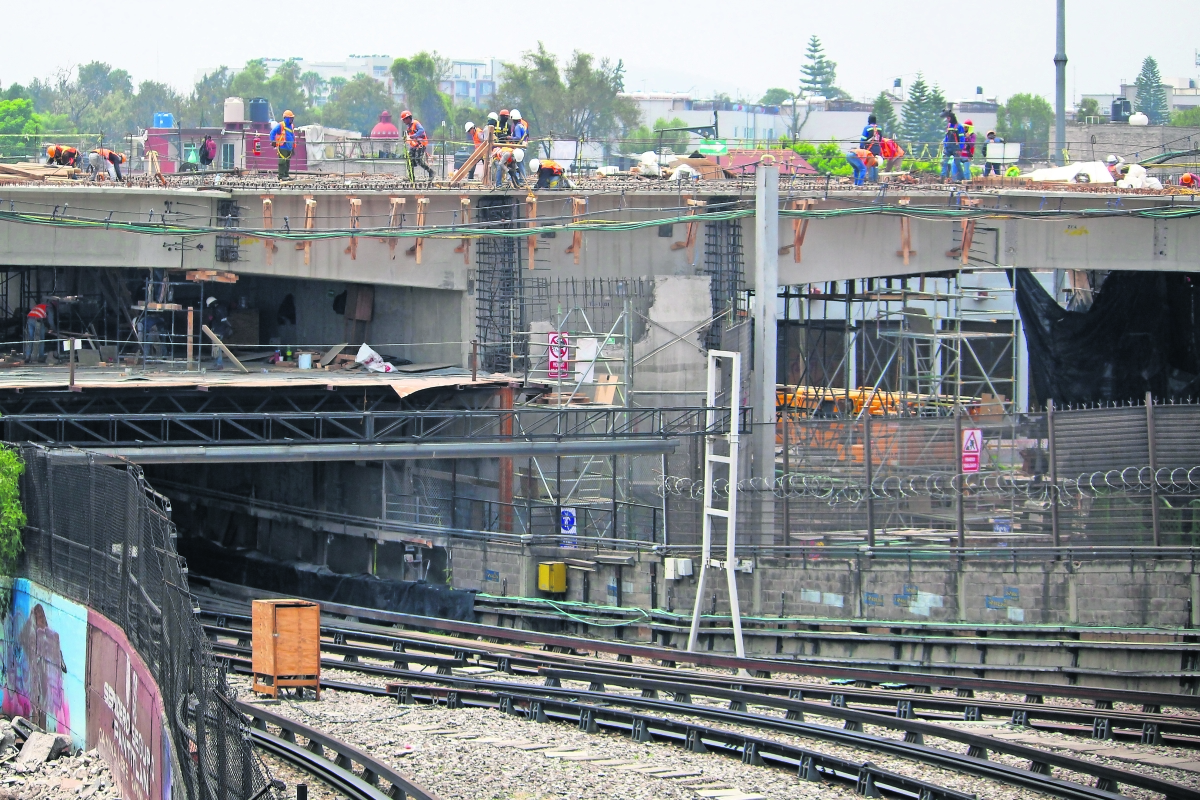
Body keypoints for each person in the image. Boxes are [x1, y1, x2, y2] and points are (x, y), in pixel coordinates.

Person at [400, 110, 435, 179]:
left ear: (408, 118)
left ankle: (431, 172)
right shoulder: (409, 127)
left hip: (421, 144)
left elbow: (422, 130)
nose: (404, 122)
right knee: (409, 160)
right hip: (414, 145)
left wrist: (415, 135)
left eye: (404, 120)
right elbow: (410, 137)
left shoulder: (415, 123)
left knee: (418, 159)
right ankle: (411, 177)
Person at [204, 296, 233, 369]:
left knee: (217, 348)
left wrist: (228, 327)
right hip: (217, 330)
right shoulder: (219, 309)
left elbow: (223, 320)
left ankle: (219, 364)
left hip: (218, 331)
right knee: (216, 348)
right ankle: (217, 363)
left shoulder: (218, 310)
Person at [270, 110, 296, 180]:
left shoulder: (292, 126)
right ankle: (281, 176)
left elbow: (292, 136)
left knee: (287, 162)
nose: (291, 120)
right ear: (286, 118)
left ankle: (286, 175)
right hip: (283, 146)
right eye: (290, 118)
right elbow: (272, 132)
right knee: (282, 161)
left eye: (292, 118)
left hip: (289, 147)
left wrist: (293, 147)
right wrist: (273, 141)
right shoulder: (281, 125)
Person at [941, 111, 965, 182]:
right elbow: (946, 137)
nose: (947, 119)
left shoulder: (959, 126)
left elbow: (962, 139)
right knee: (944, 162)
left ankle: (962, 178)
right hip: (948, 147)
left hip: (956, 148)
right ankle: (942, 178)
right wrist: (945, 145)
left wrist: (960, 148)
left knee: (957, 163)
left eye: (948, 118)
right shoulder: (948, 126)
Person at [510, 110, 529, 179]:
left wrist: (510, 138)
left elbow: (518, 137)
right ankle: (522, 178)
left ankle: (522, 179)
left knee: (519, 164)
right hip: (523, 147)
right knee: (521, 164)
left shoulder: (517, 127)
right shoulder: (522, 126)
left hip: (519, 148)